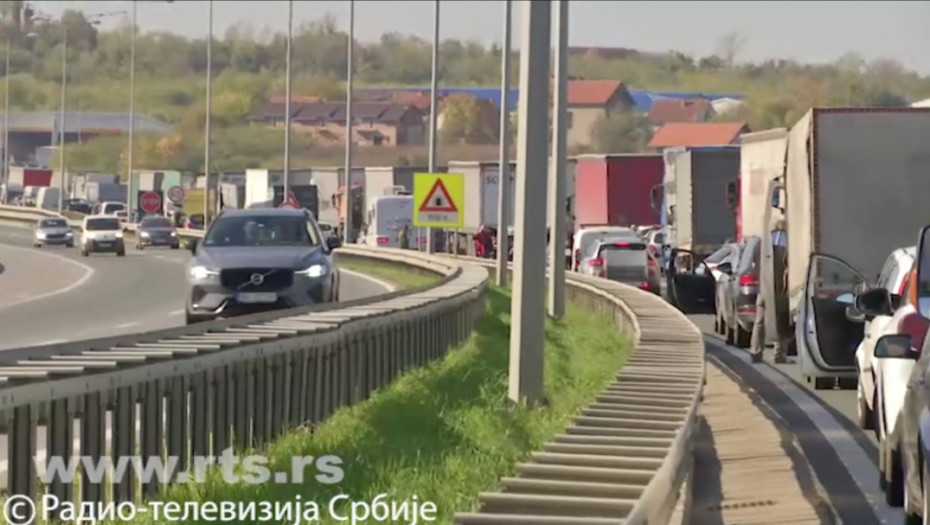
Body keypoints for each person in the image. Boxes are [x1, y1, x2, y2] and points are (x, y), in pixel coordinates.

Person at [750, 220, 788, 363]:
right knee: (780, 320)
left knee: (759, 320)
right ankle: (779, 353)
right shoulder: (786, 242)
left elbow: (754, 264)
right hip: (779, 289)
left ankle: (755, 350)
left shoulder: (761, 244)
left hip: (763, 287)